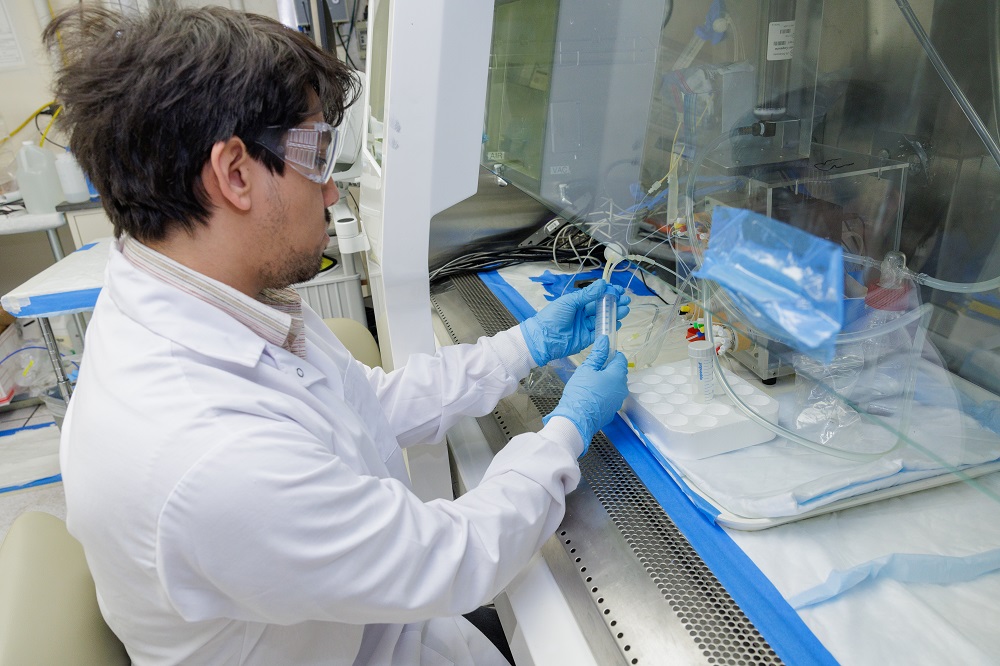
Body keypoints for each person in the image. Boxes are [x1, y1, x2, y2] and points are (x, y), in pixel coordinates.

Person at [43, 4, 630, 665]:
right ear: (235, 173)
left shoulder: (209, 291)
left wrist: (522, 347)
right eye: (317, 155)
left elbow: (360, 406)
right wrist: (568, 429)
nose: (331, 195)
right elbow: (454, 559)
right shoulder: (210, 453)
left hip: (365, 629)